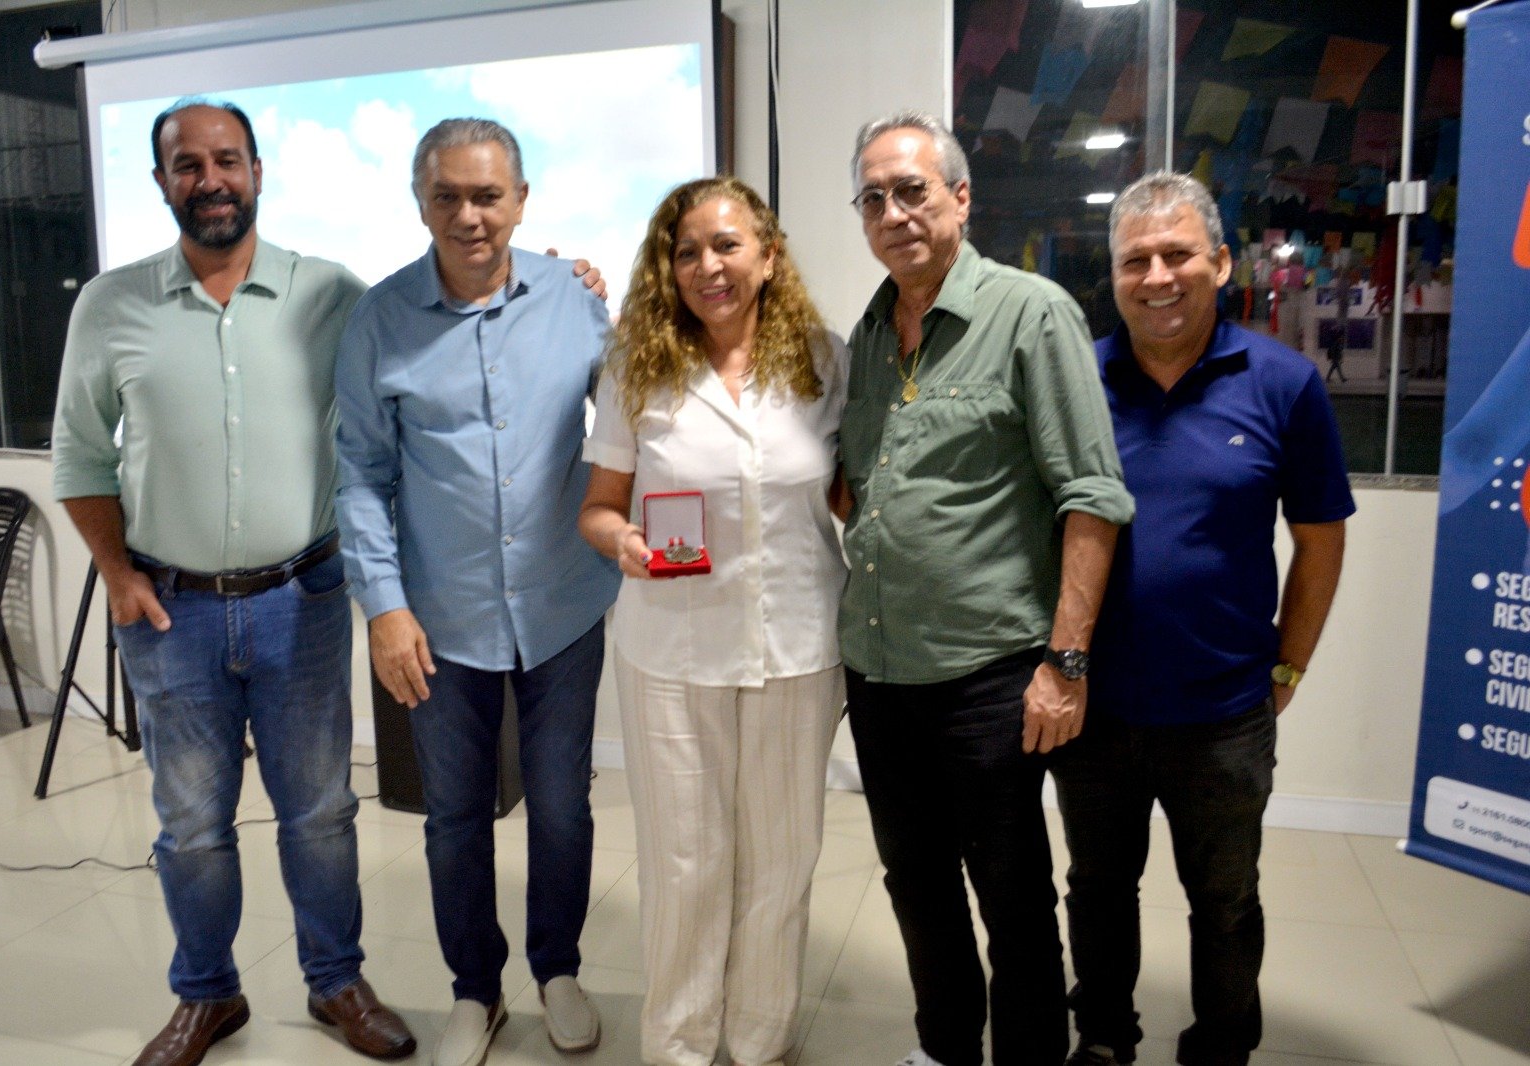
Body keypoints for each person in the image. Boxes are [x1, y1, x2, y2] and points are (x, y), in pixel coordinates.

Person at [51, 98, 416, 1066]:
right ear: (162, 182)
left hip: (304, 601)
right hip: (169, 614)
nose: (209, 180)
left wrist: (548, 279)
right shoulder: (110, 305)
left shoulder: (329, 292)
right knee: (192, 828)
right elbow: (80, 454)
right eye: (188, 164)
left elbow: (426, 333)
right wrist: (116, 573)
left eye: (226, 160)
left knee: (321, 815)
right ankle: (208, 995)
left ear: (258, 171)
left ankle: (335, 980)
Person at [837, 110, 1135, 1066]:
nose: (894, 213)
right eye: (873, 198)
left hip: (989, 678)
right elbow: (860, 484)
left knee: (1011, 896)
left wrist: (1066, 663)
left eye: (912, 190)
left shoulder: (1031, 313)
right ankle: (945, 1049)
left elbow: (1092, 497)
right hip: (880, 672)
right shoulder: (867, 334)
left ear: (961, 198)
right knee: (916, 885)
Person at [334, 117, 619, 1066]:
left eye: (488, 196)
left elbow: (629, 421)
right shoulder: (379, 320)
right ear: (421, 204)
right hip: (438, 619)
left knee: (562, 807)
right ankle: (475, 990)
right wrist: (384, 608)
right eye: (447, 196)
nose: (469, 216)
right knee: (454, 819)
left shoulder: (573, 301)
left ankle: (558, 969)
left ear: (521, 201)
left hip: (562, 603)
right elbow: (359, 475)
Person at [1053, 171, 1353, 1066]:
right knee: (1097, 889)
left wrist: (1288, 668)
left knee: (1224, 901)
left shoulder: (1283, 384)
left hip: (1224, 715)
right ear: (1113, 276)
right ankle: (1104, 1038)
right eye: (1134, 260)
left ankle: (1222, 1046)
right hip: (1093, 707)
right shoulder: (1075, 382)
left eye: (1177, 255)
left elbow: (1320, 541)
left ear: (1220, 263)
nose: (1157, 277)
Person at [578, 176, 848, 1066]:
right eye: (687, 251)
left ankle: (760, 1040)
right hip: (671, 651)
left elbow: (850, 492)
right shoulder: (637, 363)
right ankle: (680, 1046)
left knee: (781, 861)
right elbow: (599, 507)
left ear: (768, 256)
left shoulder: (823, 359)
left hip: (796, 647)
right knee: (685, 865)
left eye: (728, 245)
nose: (708, 266)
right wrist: (622, 540)